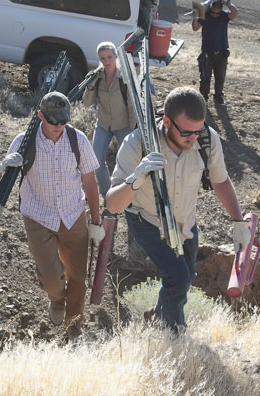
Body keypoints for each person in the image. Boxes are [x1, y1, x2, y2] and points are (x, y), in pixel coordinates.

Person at [106, 87, 251, 333]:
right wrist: (136, 178)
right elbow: (112, 204)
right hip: (147, 220)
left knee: (187, 276)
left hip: (185, 220)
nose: (192, 138)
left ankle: (157, 314)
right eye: (186, 132)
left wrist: (238, 222)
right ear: (166, 121)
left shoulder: (206, 138)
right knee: (179, 278)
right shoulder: (137, 143)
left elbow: (220, 180)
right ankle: (175, 335)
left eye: (197, 130)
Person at [0, 91, 105, 341]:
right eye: (53, 121)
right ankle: (57, 299)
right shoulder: (24, 142)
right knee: (51, 277)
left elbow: (90, 183)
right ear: (40, 116)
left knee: (79, 279)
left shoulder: (78, 140)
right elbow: (4, 183)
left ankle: (74, 326)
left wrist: (96, 222)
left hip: (73, 214)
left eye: (63, 121)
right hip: (37, 216)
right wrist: (5, 166)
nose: (59, 126)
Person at [82, 42, 136, 203]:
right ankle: (107, 194)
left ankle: (126, 196)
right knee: (96, 160)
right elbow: (86, 103)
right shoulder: (97, 77)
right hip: (104, 124)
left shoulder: (124, 76)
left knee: (127, 162)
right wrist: (90, 86)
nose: (106, 61)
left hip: (124, 125)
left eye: (109, 57)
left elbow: (132, 105)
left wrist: (133, 129)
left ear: (116, 57)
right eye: (103, 58)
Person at [192, 0, 238, 105]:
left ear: (221, 10)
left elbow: (235, 13)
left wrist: (229, 4)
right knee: (205, 77)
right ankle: (203, 98)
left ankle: (218, 97)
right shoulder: (205, 15)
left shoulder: (224, 16)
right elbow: (195, 28)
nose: (214, 15)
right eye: (213, 12)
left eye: (217, 13)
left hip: (221, 54)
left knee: (220, 77)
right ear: (210, 9)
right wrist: (195, 17)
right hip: (207, 53)